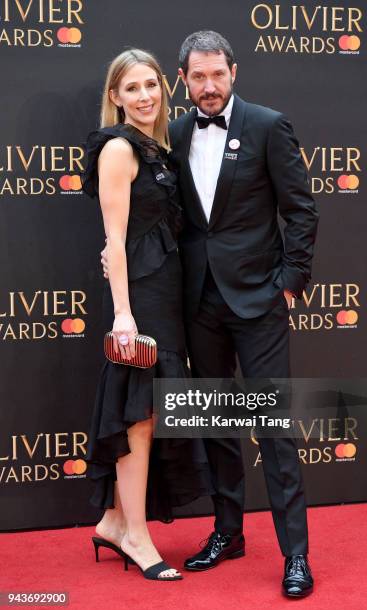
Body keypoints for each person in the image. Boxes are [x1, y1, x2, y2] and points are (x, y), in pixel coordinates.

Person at [102, 31, 318, 597]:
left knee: (272, 428)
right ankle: (228, 531)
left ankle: (296, 554)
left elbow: (301, 209)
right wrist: (114, 257)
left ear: (233, 72)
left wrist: (289, 281)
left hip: (259, 301)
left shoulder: (268, 126)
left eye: (217, 74)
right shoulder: (169, 135)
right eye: (197, 77)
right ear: (185, 80)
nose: (209, 86)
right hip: (197, 303)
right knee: (219, 425)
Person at [81, 48, 211, 582]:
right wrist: (124, 315)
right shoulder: (117, 148)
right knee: (141, 417)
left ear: (164, 88)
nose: (144, 97)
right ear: (115, 97)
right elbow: (113, 239)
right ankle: (135, 535)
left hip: (166, 296)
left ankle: (114, 521)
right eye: (131, 88)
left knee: (150, 416)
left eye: (151, 85)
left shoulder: (159, 148)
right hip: (141, 303)